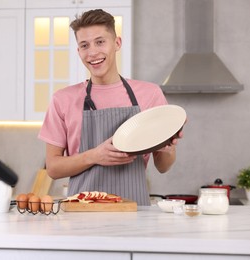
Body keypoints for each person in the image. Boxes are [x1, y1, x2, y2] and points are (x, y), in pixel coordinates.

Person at [38, 9, 183, 205]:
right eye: (84, 45)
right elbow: (53, 168)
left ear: (117, 43)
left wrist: (168, 149)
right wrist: (94, 156)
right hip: (81, 216)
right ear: (78, 51)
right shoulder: (62, 99)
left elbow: (163, 166)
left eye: (100, 42)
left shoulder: (150, 94)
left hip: (135, 212)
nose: (93, 52)